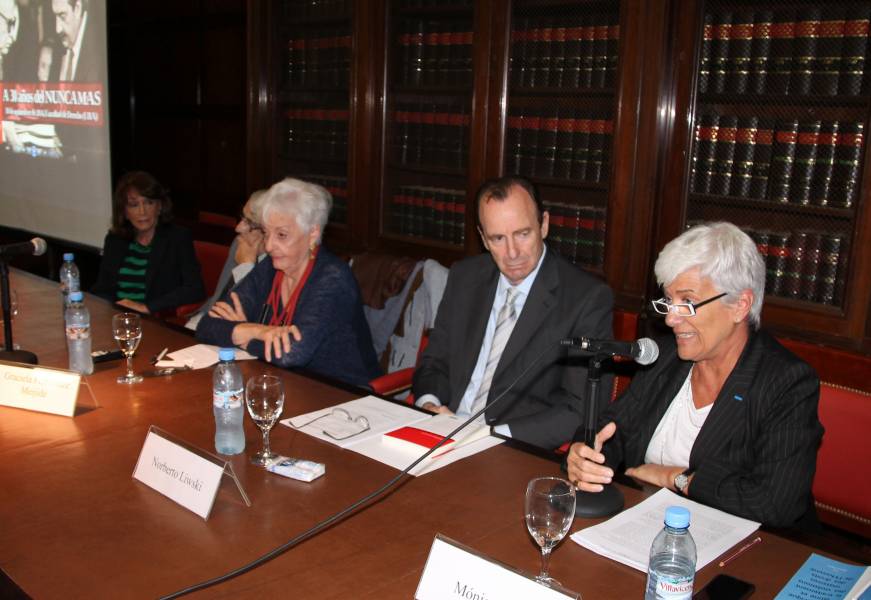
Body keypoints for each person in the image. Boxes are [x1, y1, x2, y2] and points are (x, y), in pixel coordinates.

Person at [567, 222, 824, 529]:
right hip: (648, 523)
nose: (672, 318)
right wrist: (587, 457)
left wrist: (678, 478)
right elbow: (611, 430)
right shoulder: (665, 358)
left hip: (752, 550)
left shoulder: (787, 382)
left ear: (740, 305)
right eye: (668, 301)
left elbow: (774, 503)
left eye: (687, 302)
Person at [412, 176, 614, 449]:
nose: (512, 252)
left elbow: (579, 409)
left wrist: (491, 435)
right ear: (482, 238)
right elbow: (435, 361)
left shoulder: (586, 298)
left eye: (523, 233)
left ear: (544, 225)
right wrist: (429, 405)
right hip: (442, 431)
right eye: (497, 238)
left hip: (511, 446)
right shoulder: (465, 277)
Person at [195, 177, 380, 388]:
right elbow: (207, 326)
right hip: (284, 383)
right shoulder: (271, 268)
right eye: (266, 233)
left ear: (313, 233)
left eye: (281, 235)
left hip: (342, 395)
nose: (270, 245)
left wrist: (242, 334)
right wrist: (260, 331)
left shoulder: (333, 278)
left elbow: (291, 354)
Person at [91, 171, 205, 315]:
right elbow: (103, 288)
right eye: (134, 205)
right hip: (118, 318)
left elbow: (195, 289)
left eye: (149, 203)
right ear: (125, 212)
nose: (142, 211)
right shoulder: (115, 239)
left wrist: (148, 307)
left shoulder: (178, 238)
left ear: (160, 206)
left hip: (154, 319)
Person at [184, 190, 268, 331]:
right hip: (207, 320)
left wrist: (246, 267)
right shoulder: (240, 243)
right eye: (242, 218)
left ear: (268, 230)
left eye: (249, 223)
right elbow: (221, 294)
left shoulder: (281, 264)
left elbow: (250, 316)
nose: (238, 228)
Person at [51, 0, 98, 82]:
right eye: (55, 17)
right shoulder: (59, 47)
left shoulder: (99, 51)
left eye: (62, 17)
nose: (57, 29)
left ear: (77, 8)